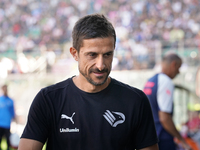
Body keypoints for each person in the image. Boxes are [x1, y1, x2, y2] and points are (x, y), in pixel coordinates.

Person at [18, 14, 159, 150]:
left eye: (107, 54)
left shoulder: (135, 101)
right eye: (92, 55)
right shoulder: (48, 100)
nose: (101, 65)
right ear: (74, 53)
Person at [143, 52, 192, 150]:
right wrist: (182, 141)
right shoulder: (166, 81)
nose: (178, 72)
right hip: (162, 137)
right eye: (178, 68)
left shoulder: (151, 80)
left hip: (150, 137)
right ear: (173, 65)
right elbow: (164, 118)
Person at [0, 84, 15, 150]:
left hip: (7, 123)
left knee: (7, 139)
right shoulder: (0, 99)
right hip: (0, 123)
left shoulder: (10, 101)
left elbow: (13, 113)